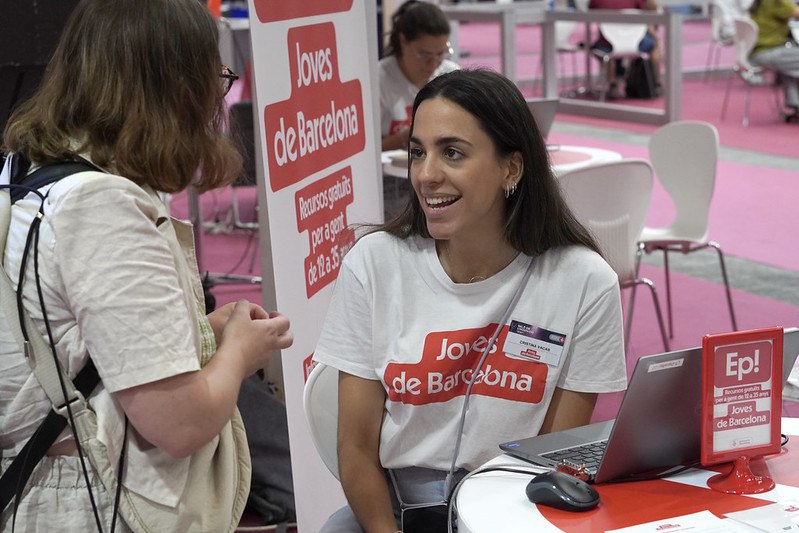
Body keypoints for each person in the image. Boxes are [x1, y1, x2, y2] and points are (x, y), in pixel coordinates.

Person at [0, 0, 293, 530]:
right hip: (93, 501)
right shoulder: (103, 207)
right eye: (215, 77)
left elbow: (85, 345)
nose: (217, 98)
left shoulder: (34, 173)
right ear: (176, 86)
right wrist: (240, 352)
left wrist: (202, 331)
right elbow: (179, 423)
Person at [314, 68, 627, 532]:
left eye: (452, 153)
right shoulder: (374, 263)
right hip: (397, 513)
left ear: (511, 168)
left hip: (515, 513)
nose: (426, 175)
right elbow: (356, 449)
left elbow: (551, 464)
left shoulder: (584, 281)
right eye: (417, 152)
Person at [379, 0, 459, 151]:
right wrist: (407, 137)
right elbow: (366, 150)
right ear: (403, 41)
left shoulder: (450, 74)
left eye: (440, 54)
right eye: (424, 55)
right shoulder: (378, 80)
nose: (433, 63)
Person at [588, 0, 662, 98]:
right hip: (635, 42)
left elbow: (590, 12)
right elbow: (644, 16)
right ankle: (657, 83)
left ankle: (613, 83)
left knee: (601, 49)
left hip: (608, 43)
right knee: (654, 45)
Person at [748, 0, 799, 122]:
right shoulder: (777, 1)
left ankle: (796, 106)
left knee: (792, 63)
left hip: (757, 51)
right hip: (768, 51)